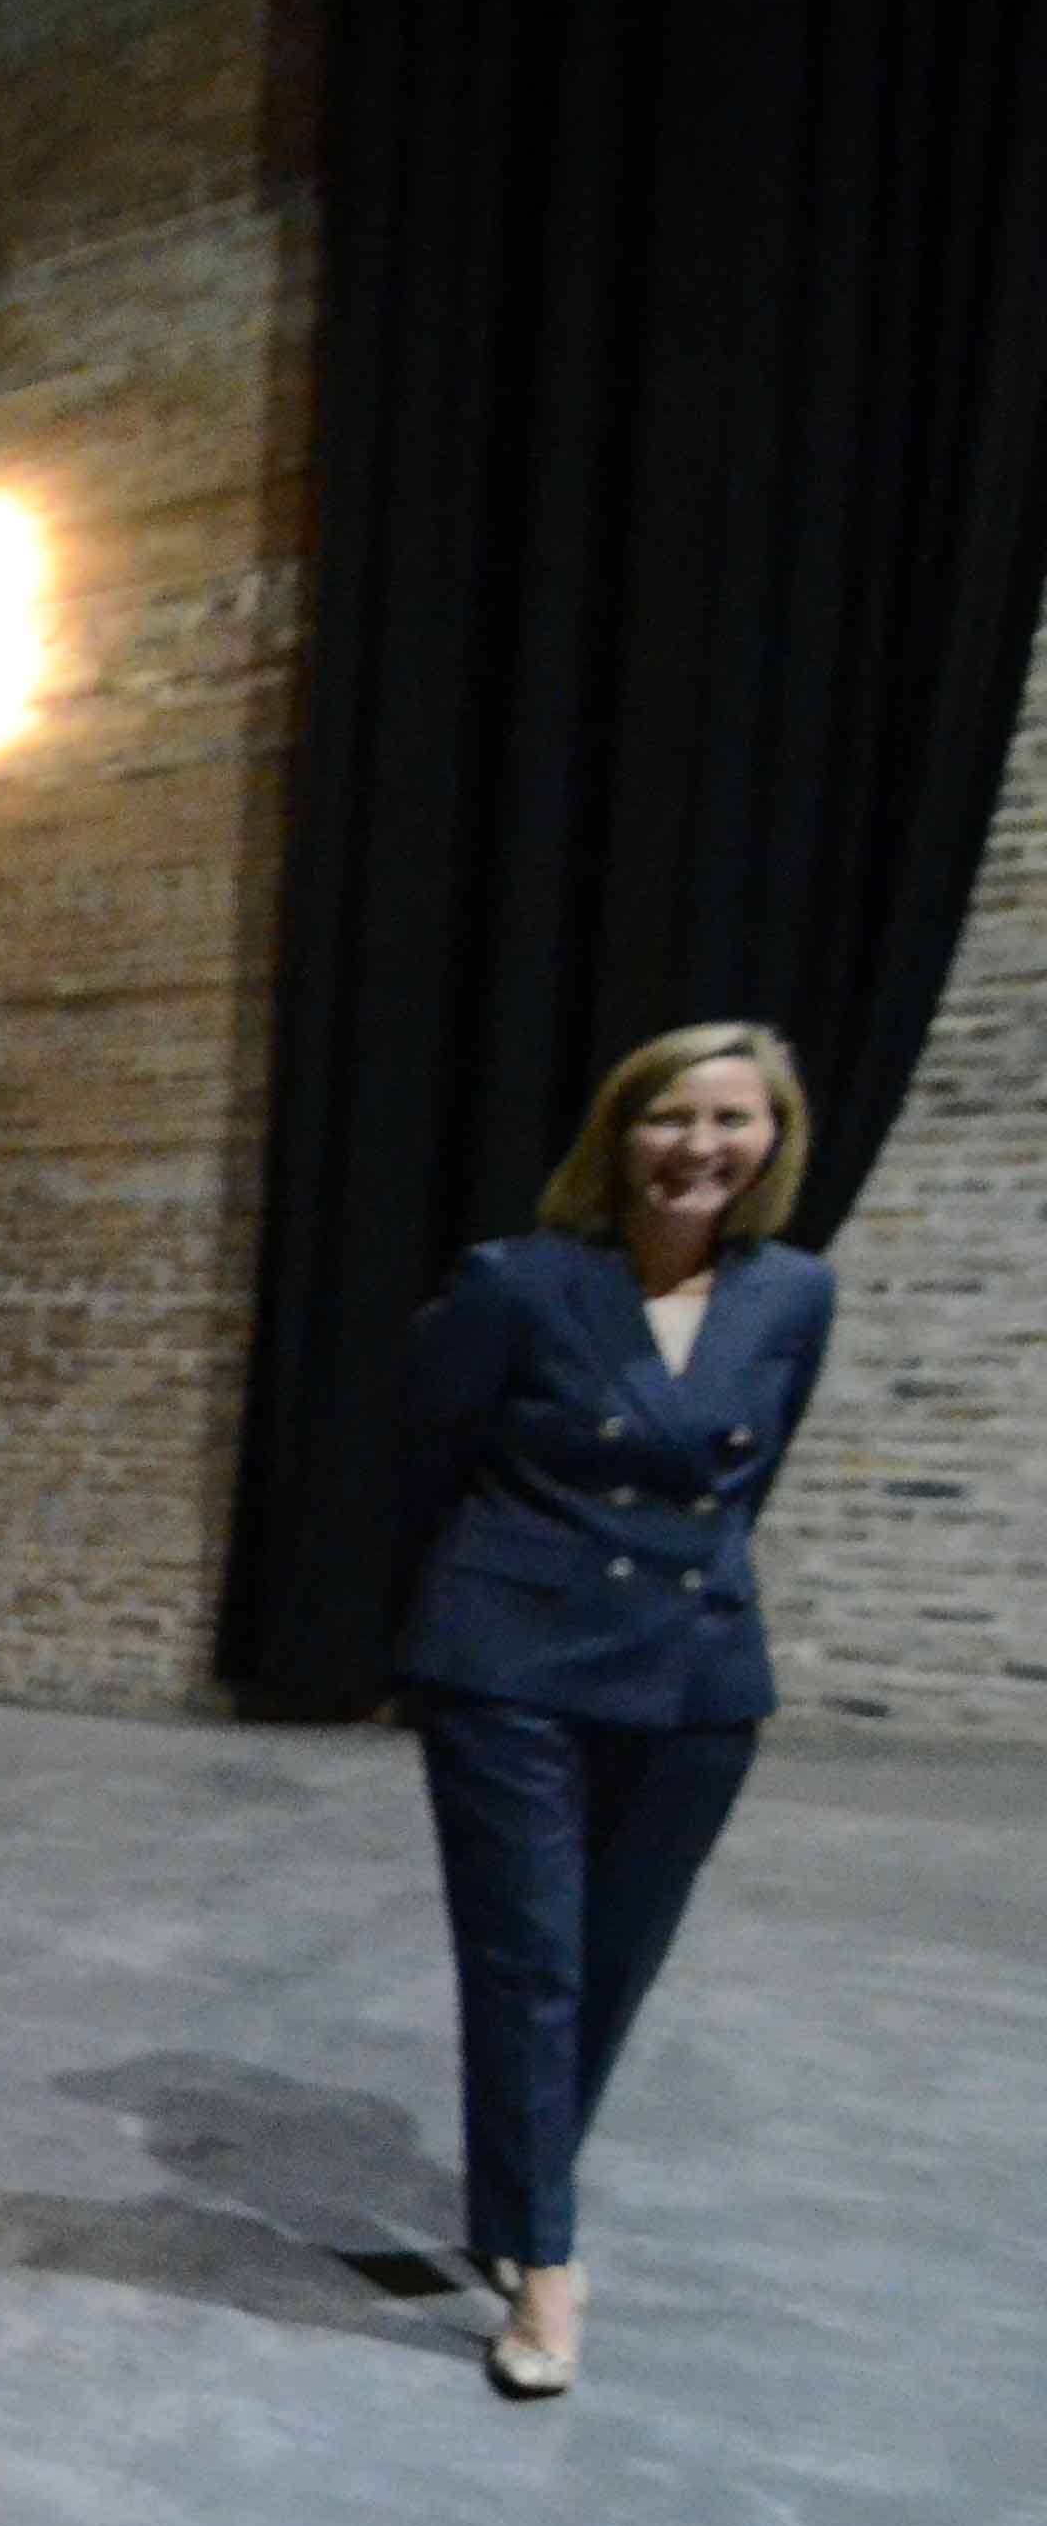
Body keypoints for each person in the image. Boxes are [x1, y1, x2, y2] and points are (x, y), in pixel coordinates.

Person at [393, 1022, 833, 2399]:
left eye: (733, 1121)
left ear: (772, 1142)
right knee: (531, 1960)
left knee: (614, 1963)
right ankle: (547, 2261)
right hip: (512, 1659)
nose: (700, 1148)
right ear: (618, 1133)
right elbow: (434, 1443)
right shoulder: (519, 1283)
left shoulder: (795, 1294)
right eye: (671, 1118)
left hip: (698, 1677)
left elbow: (746, 1478)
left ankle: (514, 2205)